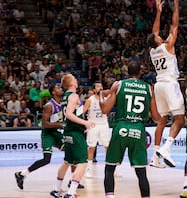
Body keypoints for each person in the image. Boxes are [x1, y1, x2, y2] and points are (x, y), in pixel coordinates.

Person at [99, 61, 160, 198]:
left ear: (127, 72)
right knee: (141, 173)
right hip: (138, 129)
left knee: (110, 168)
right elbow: (156, 118)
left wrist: (101, 97)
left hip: (121, 127)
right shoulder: (149, 88)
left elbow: (104, 110)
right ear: (140, 72)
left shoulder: (118, 84)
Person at [146, 0, 185, 168]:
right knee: (180, 119)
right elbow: (174, 26)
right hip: (170, 83)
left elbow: (154, 32)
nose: (159, 34)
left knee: (162, 120)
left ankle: (155, 156)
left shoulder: (152, 50)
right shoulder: (167, 46)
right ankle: (167, 148)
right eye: (158, 36)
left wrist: (159, 12)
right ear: (157, 40)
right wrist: (176, 3)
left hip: (159, 85)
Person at [50, 74, 95, 198]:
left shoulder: (65, 96)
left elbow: (74, 114)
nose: (77, 80)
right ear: (72, 84)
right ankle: (71, 192)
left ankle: (57, 189)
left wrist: (83, 125)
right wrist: (85, 123)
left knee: (67, 161)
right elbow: (69, 114)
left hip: (69, 131)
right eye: (75, 79)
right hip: (74, 133)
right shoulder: (74, 96)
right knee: (82, 163)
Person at [15, 85, 63, 190]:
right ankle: (22, 174)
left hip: (57, 133)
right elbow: (44, 124)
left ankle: (74, 181)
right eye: (58, 88)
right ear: (53, 93)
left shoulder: (62, 103)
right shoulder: (49, 105)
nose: (61, 89)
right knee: (46, 159)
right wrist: (60, 124)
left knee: (71, 152)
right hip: (48, 134)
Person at [83, 81, 110, 178]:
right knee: (91, 147)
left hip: (104, 124)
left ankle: (112, 170)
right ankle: (88, 170)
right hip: (93, 125)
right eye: (98, 86)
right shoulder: (90, 100)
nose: (100, 88)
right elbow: (82, 112)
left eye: (101, 86)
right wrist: (84, 124)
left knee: (108, 147)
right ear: (94, 90)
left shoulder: (106, 99)